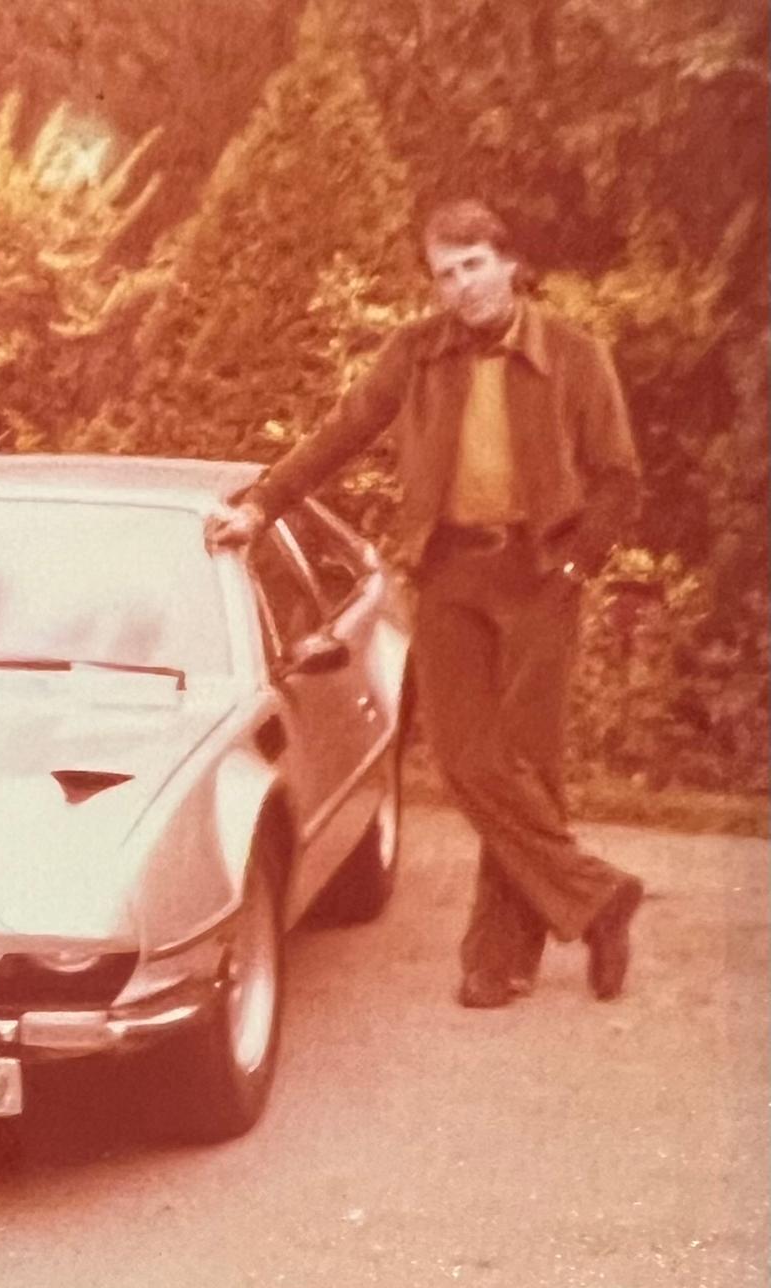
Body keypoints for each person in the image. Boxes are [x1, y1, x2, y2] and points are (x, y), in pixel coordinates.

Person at [207, 198, 645, 1008]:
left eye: (474, 266)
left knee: (528, 767)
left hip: (540, 576)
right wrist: (263, 505)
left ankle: (498, 959)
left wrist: (577, 563)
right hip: (450, 575)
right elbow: (342, 431)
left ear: (510, 265)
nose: (463, 286)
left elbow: (619, 478)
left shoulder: (575, 356)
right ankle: (598, 898)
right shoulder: (416, 354)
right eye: (446, 274)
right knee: (464, 759)